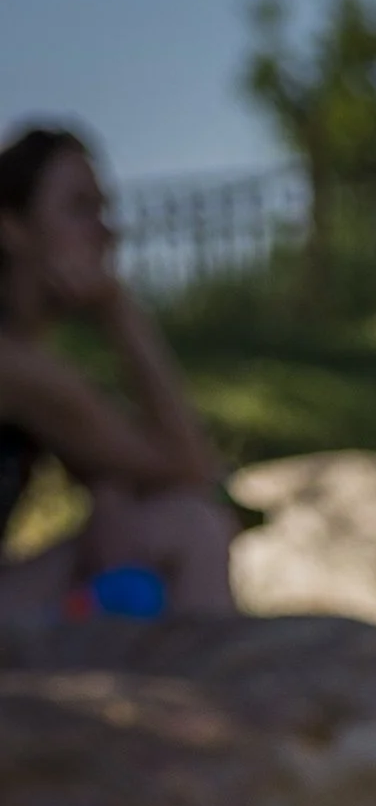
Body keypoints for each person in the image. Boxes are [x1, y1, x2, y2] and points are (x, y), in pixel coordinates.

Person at [0, 126, 235, 628]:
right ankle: (217, 697)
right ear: (11, 227)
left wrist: (111, 492)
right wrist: (119, 312)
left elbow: (125, 462)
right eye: (80, 208)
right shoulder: (16, 368)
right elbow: (191, 464)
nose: (107, 231)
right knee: (192, 528)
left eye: (103, 207)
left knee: (156, 517)